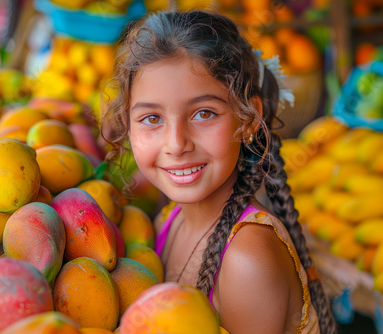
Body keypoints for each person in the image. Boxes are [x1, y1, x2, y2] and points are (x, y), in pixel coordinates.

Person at [101, 10, 336, 334]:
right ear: (127, 125)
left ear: (249, 118)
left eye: (203, 113)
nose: (176, 143)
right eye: (152, 119)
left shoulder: (247, 259)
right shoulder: (170, 219)